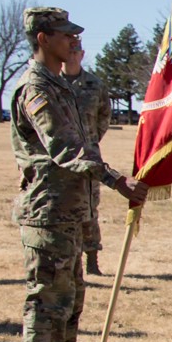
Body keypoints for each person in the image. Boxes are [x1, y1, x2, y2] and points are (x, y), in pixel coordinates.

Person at [9, 7, 147, 342]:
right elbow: (66, 148)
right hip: (47, 210)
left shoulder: (62, 84)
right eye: (64, 35)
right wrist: (116, 180)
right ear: (42, 38)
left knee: (69, 296)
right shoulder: (36, 88)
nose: (73, 41)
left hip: (73, 210)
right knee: (46, 300)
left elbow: (91, 132)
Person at [62, 46, 112, 275]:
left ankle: (92, 259)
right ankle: (69, 262)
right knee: (62, 208)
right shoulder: (52, 83)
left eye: (76, 51)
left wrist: (90, 140)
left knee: (89, 209)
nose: (72, 55)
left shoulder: (94, 85)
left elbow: (104, 117)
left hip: (89, 156)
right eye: (68, 50)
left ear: (82, 55)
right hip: (59, 159)